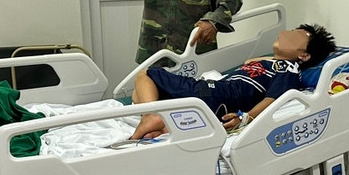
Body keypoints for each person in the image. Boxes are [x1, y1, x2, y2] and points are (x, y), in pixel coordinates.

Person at [130, 24, 336, 140]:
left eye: (295, 36)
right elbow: (249, 62)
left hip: (217, 93)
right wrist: (274, 56)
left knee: (147, 75)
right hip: (215, 97)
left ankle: (151, 116)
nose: (285, 35)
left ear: (304, 55)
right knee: (138, 93)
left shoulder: (289, 70)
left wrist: (246, 118)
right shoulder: (274, 64)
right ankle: (161, 125)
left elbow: (273, 99)